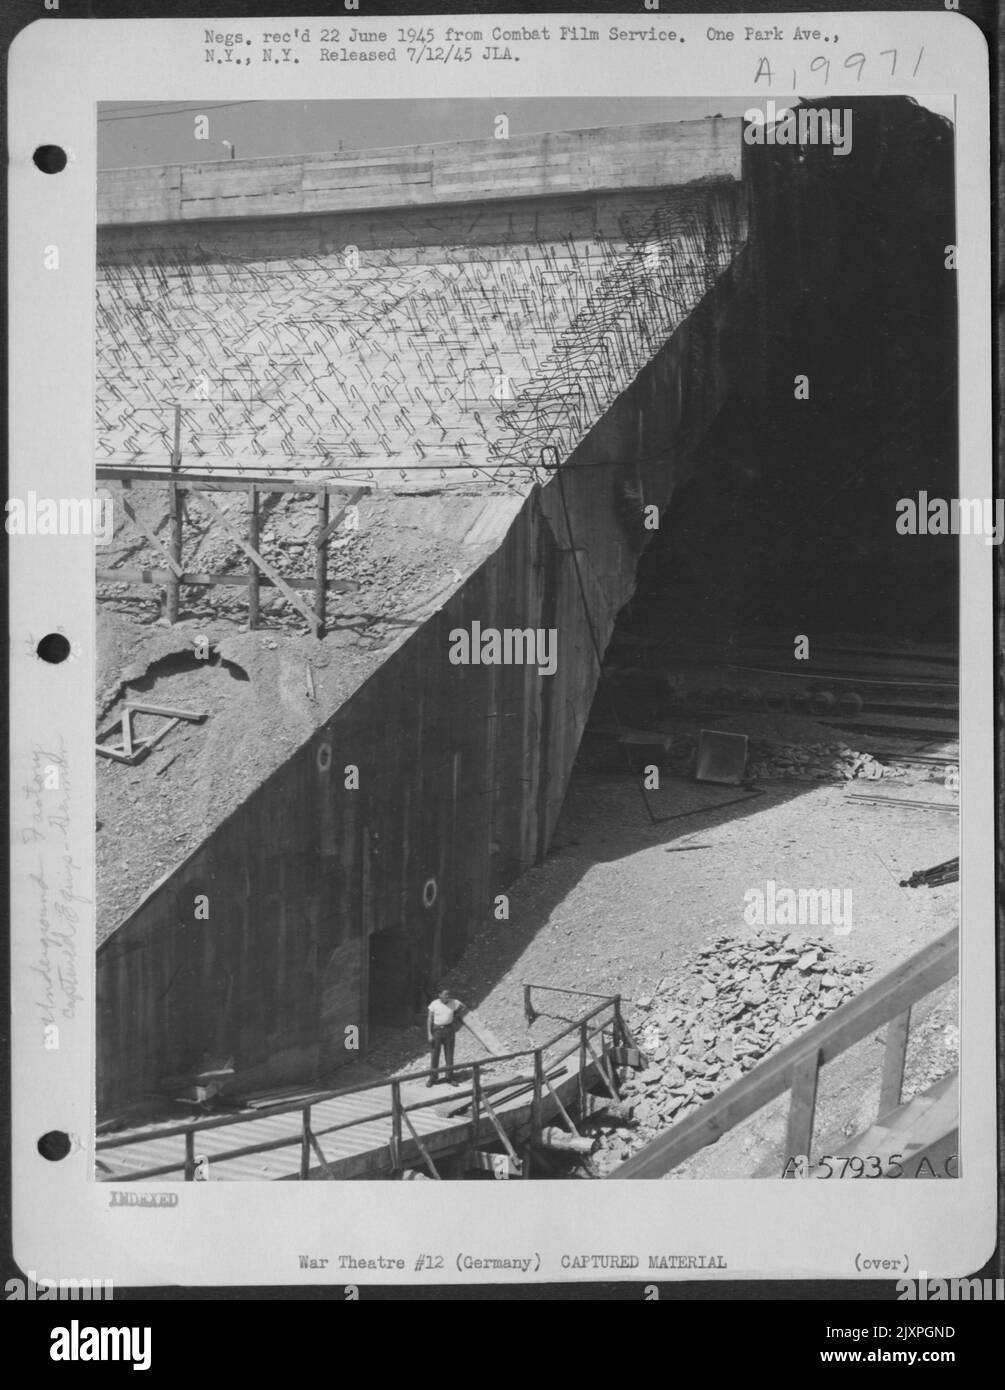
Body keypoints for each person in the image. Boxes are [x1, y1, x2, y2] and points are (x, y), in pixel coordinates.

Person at [426, 988, 465, 1086]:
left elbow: (463, 1007)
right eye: (445, 994)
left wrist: (454, 1016)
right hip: (437, 1031)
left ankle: (449, 1077)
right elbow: (429, 1018)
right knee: (435, 1054)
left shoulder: (453, 1002)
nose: (448, 996)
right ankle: (433, 1078)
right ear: (440, 995)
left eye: (448, 994)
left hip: (449, 1030)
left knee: (449, 1054)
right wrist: (429, 1034)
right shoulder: (434, 1004)